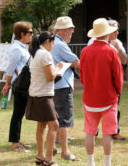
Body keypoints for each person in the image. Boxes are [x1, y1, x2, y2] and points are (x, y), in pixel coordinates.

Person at [80, 18, 124, 166]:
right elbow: (118, 76)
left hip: (90, 98)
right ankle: (107, 162)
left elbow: (82, 74)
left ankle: (91, 162)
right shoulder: (111, 51)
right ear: (107, 33)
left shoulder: (85, 51)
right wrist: (117, 92)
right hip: (108, 98)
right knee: (108, 133)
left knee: (90, 132)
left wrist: (89, 86)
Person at [26, 32, 63, 166]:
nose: (53, 46)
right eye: (53, 43)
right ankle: (49, 159)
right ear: (47, 41)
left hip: (35, 94)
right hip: (44, 95)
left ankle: (40, 156)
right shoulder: (45, 55)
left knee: (41, 125)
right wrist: (58, 68)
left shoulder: (35, 53)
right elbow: (50, 77)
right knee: (54, 125)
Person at [87, 18, 128, 141]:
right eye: (114, 30)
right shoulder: (92, 43)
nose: (117, 33)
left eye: (117, 31)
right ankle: (94, 131)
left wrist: (118, 48)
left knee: (114, 109)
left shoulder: (117, 43)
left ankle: (114, 131)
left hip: (112, 84)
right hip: (96, 82)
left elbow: (125, 61)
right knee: (95, 109)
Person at [51, 16, 80, 161]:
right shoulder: (60, 44)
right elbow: (76, 62)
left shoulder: (54, 42)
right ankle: (65, 152)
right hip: (62, 86)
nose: (73, 31)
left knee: (56, 118)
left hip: (55, 86)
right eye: (71, 28)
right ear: (62, 31)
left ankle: (55, 146)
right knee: (64, 120)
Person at [2, 21, 34, 152]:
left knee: (19, 114)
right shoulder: (16, 48)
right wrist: (7, 84)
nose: (32, 35)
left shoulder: (22, 47)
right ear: (22, 34)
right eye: (30, 32)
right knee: (17, 114)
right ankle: (15, 144)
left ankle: (17, 140)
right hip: (20, 86)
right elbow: (10, 68)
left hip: (24, 85)